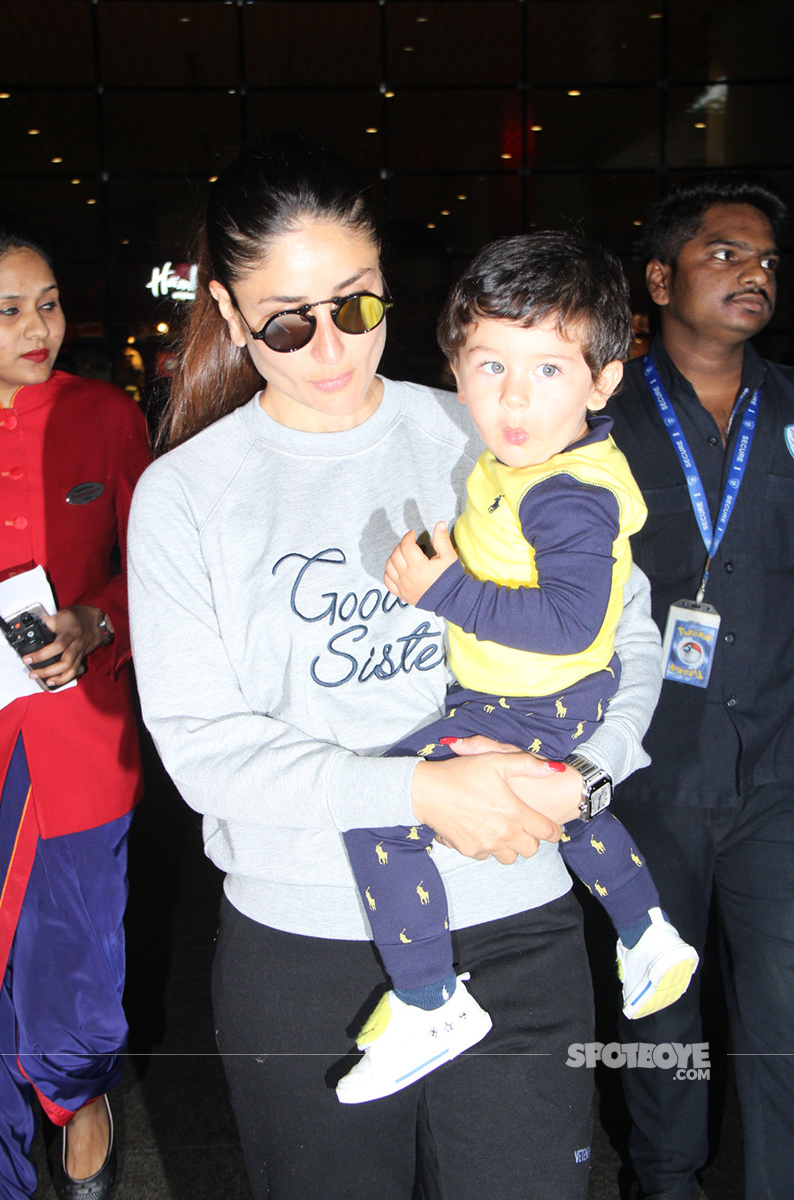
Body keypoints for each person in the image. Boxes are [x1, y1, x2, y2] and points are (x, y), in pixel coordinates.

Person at [127, 133, 663, 1200]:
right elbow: (203, 750)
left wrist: (581, 781)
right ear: (229, 317)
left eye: (356, 305)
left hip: (516, 919)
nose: (328, 347)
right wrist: (418, 789)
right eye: (284, 320)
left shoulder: (483, 432)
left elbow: (626, 632)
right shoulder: (187, 495)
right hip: (305, 944)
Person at [337, 233, 698, 1105]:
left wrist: (446, 589)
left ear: (603, 381)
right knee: (563, 807)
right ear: (455, 366)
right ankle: (647, 932)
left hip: (534, 697)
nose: (513, 398)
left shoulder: (564, 490)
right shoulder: (537, 466)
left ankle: (429, 1000)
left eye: (548, 370)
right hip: (554, 701)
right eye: (490, 366)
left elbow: (575, 620)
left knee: (382, 813)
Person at [607, 174, 794, 1200]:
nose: (751, 273)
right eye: (723, 253)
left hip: (777, 768)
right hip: (646, 770)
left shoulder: (793, 409)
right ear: (657, 277)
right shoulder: (595, 417)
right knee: (654, 1005)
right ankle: (662, 1180)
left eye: (764, 259)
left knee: (782, 1003)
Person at [0, 213, 149, 1200]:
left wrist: (95, 622)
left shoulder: (106, 416)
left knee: (82, 983)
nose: (35, 326)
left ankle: (78, 1095)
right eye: (7, 310)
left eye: (45, 304)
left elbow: (160, 576)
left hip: (83, 745)